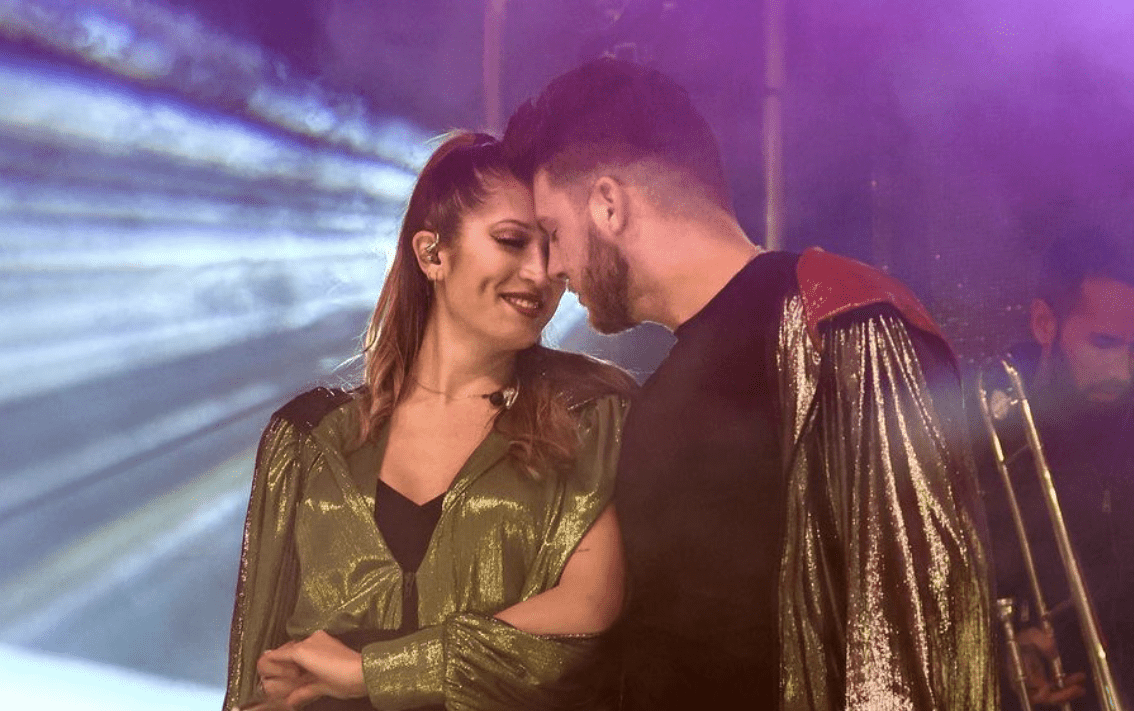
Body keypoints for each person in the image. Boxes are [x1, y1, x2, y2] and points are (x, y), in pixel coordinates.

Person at [503, 57, 998, 710]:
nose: (552, 267)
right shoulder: (662, 387)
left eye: (553, 233)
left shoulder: (837, 317)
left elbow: (916, 627)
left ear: (608, 204)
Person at [222, 132, 637, 711]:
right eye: (512, 240)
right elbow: (257, 678)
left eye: (553, 244)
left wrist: (371, 671)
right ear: (432, 254)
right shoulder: (308, 439)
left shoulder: (591, 416)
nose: (542, 272)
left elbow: (587, 618)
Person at [980, 228, 1134, 709]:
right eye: (1105, 343)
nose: (1125, 371)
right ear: (1044, 323)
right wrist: (1002, 655)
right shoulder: (982, 440)